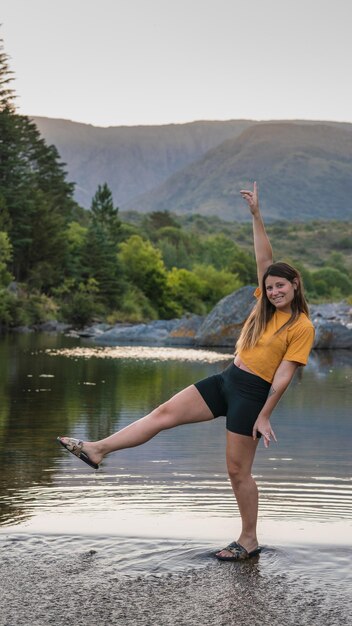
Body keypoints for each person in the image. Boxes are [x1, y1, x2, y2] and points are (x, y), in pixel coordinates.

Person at [58, 182, 315, 562]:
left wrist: (263, 416)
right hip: (228, 379)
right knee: (162, 414)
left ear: (295, 285)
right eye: (270, 286)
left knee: (236, 471)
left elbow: (284, 376)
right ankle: (97, 450)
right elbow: (264, 259)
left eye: (281, 286)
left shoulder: (301, 326)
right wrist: (256, 215)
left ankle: (248, 540)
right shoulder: (263, 306)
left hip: (253, 394)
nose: (274, 291)